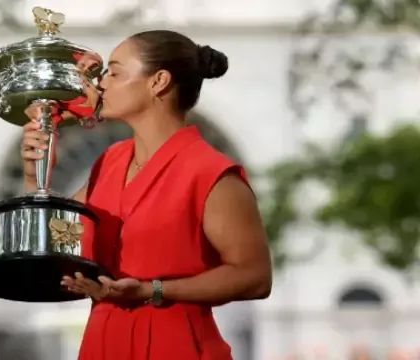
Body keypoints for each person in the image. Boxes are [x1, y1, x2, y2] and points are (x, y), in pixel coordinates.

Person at [21, 30, 272, 360]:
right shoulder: (110, 162)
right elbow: (54, 239)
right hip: (103, 341)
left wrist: (153, 290)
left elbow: (254, 277)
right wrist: (34, 173)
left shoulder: (211, 173)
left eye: (115, 72)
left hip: (176, 344)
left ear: (159, 81)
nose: (102, 84)